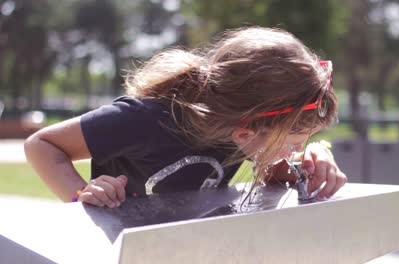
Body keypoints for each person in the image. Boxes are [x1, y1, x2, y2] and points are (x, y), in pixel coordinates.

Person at [24, 26, 347, 208]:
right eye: (292, 142)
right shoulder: (144, 119)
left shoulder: (237, 127)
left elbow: (270, 173)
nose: (294, 150)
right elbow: (42, 145)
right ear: (245, 133)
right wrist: (81, 195)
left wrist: (308, 161)